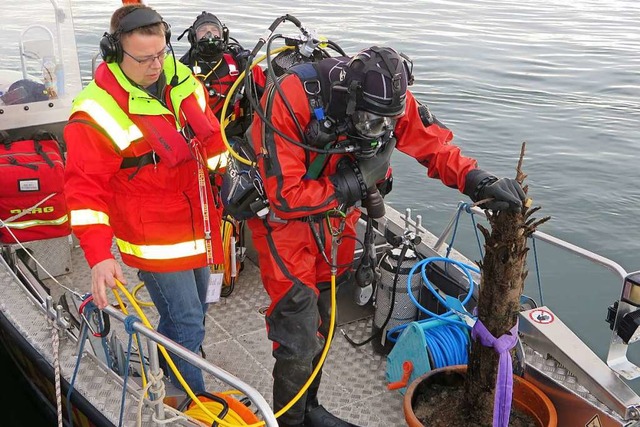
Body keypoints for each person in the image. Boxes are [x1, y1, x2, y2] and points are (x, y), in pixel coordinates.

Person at [244, 46, 526, 427]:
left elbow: (434, 146)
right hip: (284, 226)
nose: (379, 134)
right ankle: (289, 421)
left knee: (325, 320)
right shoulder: (292, 98)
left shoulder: (391, 101)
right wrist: (355, 181)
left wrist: (477, 181)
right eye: (371, 123)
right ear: (351, 99)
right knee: (297, 334)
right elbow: (284, 194)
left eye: (387, 126)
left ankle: (308, 407)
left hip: (336, 222)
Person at [63, 4, 226, 394]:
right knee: (186, 321)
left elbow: (210, 136)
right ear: (116, 54)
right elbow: (85, 190)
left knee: (198, 309)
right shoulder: (95, 112)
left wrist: (231, 184)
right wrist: (100, 255)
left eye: (161, 54)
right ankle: (192, 400)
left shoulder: (181, 77)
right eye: (144, 59)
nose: (156, 66)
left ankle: (162, 360)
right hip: (154, 239)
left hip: (199, 221)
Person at [179, 11, 266, 139]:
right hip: (196, 138)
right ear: (193, 37)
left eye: (215, 30)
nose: (210, 35)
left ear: (223, 34)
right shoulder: (181, 71)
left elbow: (269, 88)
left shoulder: (240, 64)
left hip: (234, 136)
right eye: (203, 30)